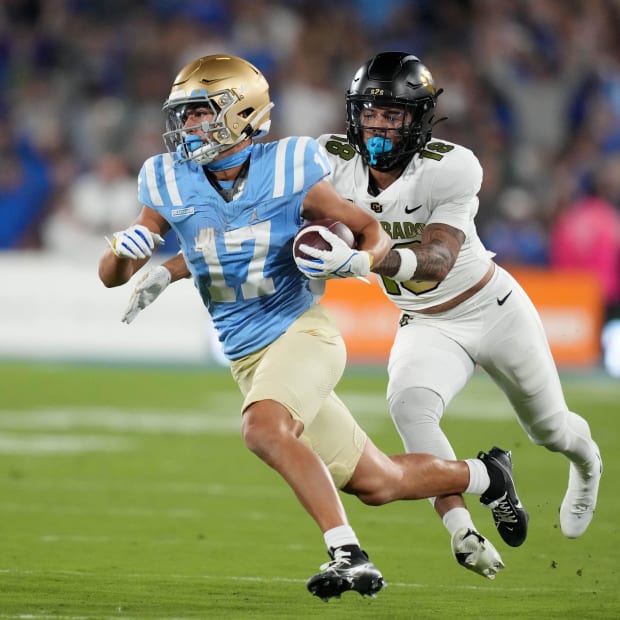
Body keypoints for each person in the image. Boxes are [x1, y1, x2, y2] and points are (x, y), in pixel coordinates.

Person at [99, 54, 528, 599]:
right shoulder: (165, 179)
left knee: (263, 429)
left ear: (242, 114)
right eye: (185, 115)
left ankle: (348, 553)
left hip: (301, 333)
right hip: (248, 358)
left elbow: (369, 229)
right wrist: (131, 256)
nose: (188, 126)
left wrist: (358, 262)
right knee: (378, 482)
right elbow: (116, 273)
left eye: (202, 113)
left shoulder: (289, 166)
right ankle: (486, 474)